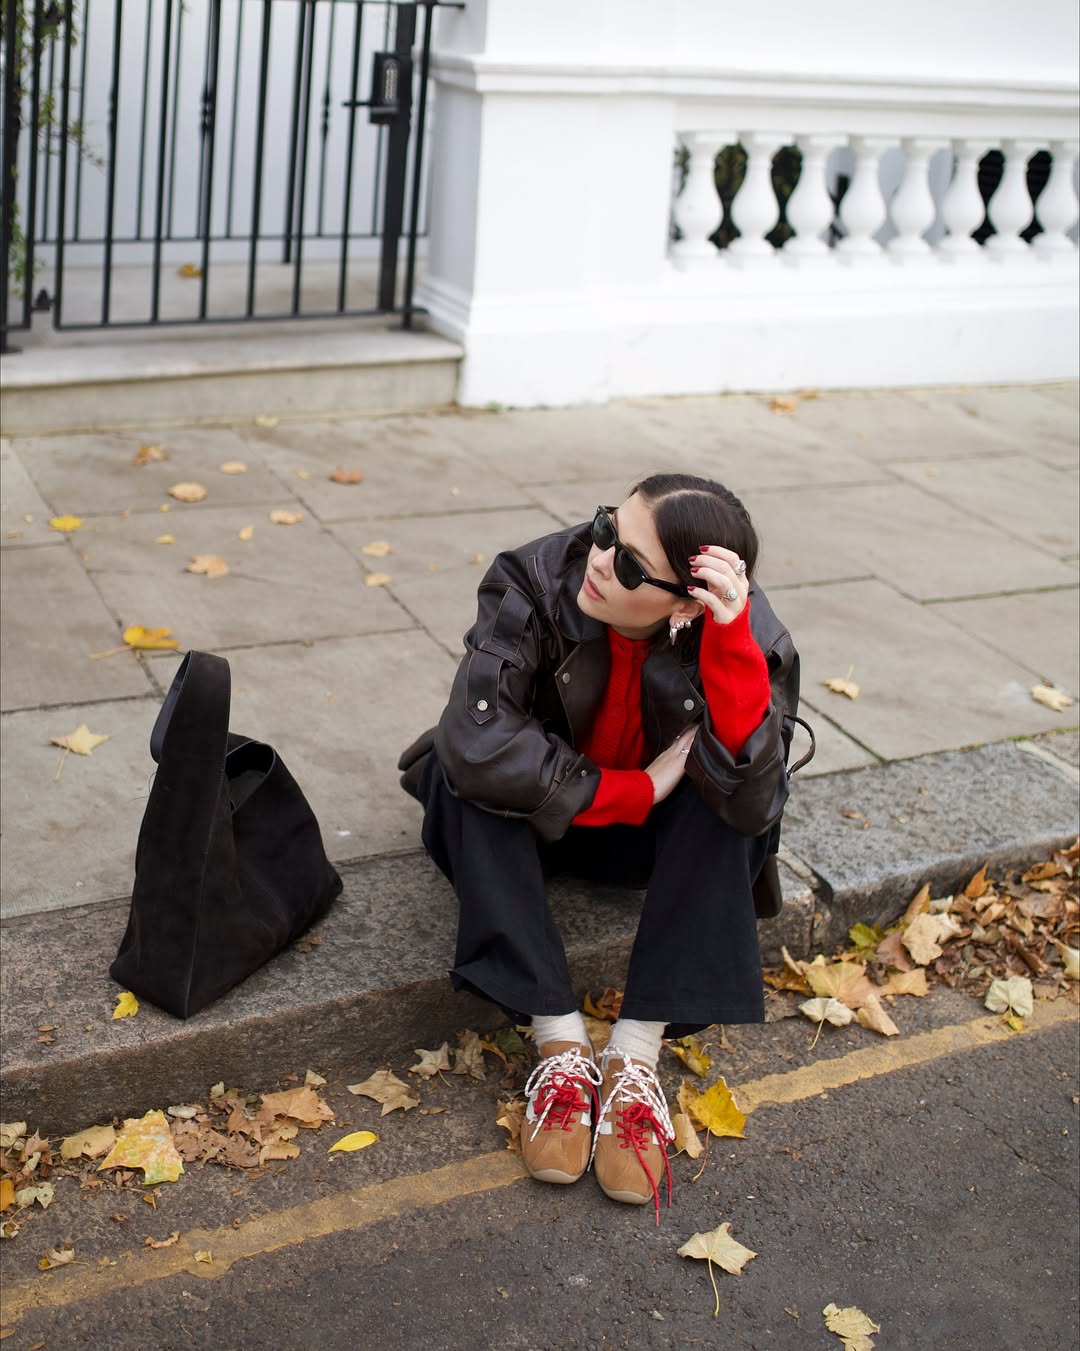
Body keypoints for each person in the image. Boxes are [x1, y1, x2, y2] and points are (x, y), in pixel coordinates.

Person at [398, 473, 809, 1221]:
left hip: (644, 851)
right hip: (542, 824)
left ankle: (633, 1056)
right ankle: (558, 1044)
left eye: (627, 563)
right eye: (605, 528)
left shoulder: (747, 632)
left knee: (731, 796)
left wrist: (728, 650)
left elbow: (755, 800)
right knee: (463, 779)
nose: (598, 557)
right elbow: (475, 739)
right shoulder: (531, 577)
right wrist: (636, 790)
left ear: (686, 601)